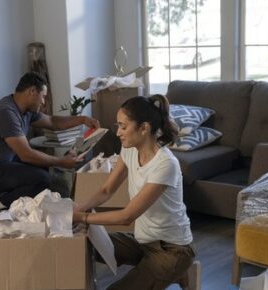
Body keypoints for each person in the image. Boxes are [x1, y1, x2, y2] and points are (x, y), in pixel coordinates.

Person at [72, 95, 195, 289]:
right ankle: (169, 274)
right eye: (118, 126)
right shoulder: (129, 150)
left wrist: (81, 218)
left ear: (143, 128)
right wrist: (78, 209)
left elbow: (126, 217)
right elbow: (106, 190)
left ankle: (175, 271)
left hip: (171, 250)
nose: (118, 132)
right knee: (83, 243)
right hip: (143, 241)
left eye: (123, 126)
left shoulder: (165, 164)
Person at [0, 71, 99, 215]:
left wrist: (83, 119)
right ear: (32, 91)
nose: (43, 102)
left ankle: (3, 200)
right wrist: (61, 161)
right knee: (41, 179)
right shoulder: (6, 113)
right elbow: (26, 155)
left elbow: (53, 122)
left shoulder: (25, 110)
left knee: (43, 168)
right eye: (43, 96)